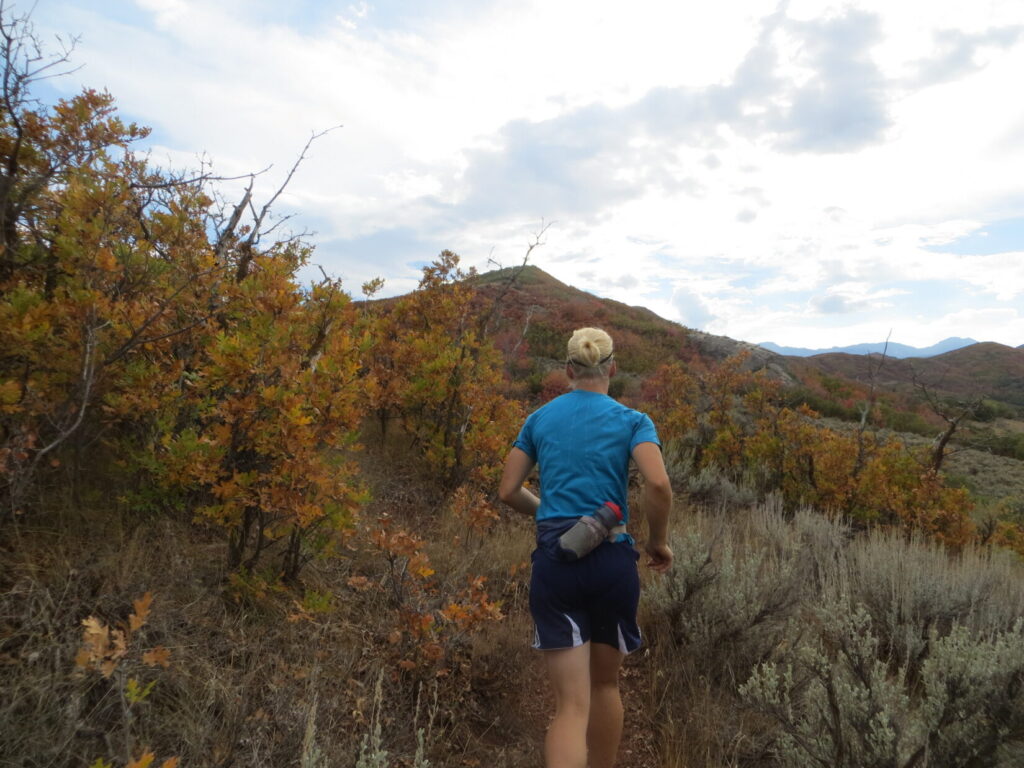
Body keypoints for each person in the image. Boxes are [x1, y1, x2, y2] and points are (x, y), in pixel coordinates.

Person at [499, 327, 673, 768]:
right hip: (613, 560)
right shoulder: (633, 420)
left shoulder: (538, 419)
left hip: (557, 563)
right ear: (612, 368)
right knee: (605, 688)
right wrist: (657, 542)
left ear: (568, 370)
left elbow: (507, 490)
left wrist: (546, 512)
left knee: (570, 707)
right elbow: (657, 483)